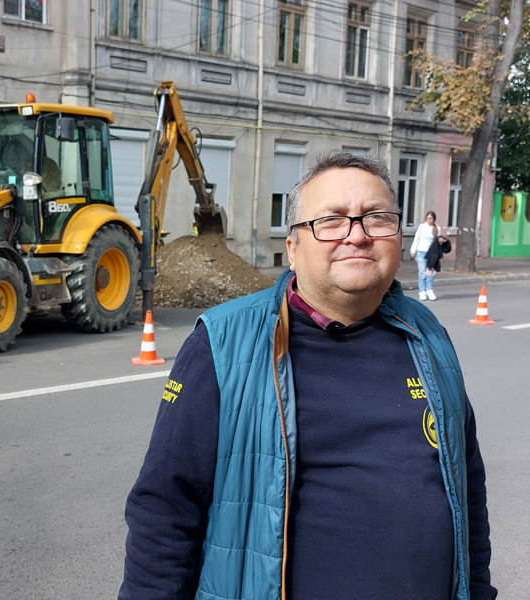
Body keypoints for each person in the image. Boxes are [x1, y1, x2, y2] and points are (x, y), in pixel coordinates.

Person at [119, 151, 495, 600]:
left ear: (398, 237)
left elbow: (467, 488)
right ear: (293, 250)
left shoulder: (427, 335)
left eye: (377, 218)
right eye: (331, 221)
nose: (357, 235)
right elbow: (164, 510)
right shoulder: (223, 344)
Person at [411, 210, 440, 301]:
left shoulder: (437, 228)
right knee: (422, 272)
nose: (429, 220)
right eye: (427, 218)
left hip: (432, 253)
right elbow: (417, 238)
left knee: (430, 272)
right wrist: (413, 250)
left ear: (434, 219)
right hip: (421, 251)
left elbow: (438, 242)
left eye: (431, 218)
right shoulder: (422, 227)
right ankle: (422, 291)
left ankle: (429, 290)